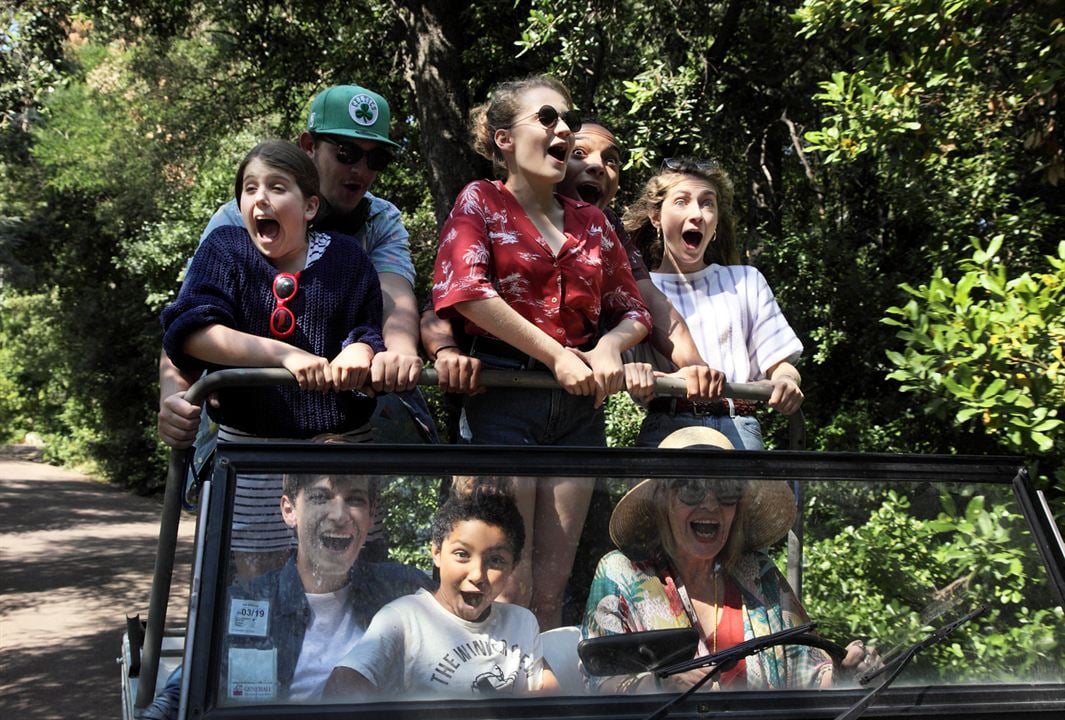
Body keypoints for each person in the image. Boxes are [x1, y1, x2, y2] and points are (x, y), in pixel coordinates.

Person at [429, 76, 653, 630]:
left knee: (550, 590)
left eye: (568, 121)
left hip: (577, 410)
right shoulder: (481, 200)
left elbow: (634, 310)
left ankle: (539, 702)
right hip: (504, 399)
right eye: (548, 118)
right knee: (506, 583)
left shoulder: (594, 223)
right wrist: (558, 355)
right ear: (504, 138)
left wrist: (608, 346)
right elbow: (467, 292)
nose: (564, 130)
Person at [158, 83, 436, 450]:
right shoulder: (234, 223)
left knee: (407, 449)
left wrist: (396, 353)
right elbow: (190, 320)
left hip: (347, 405)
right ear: (309, 146)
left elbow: (392, 301)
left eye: (376, 159)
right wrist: (173, 397)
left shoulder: (380, 219)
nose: (360, 169)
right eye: (346, 152)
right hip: (245, 415)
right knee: (212, 462)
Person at [421, 118, 724, 406]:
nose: (598, 167)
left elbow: (648, 304)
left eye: (611, 160)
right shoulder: (490, 205)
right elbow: (446, 298)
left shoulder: (604, 225)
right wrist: (446, 351)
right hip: (495, 386)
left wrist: (696, 367)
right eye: (580, 153)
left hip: (576, 393)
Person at [581, 427, 874, 693]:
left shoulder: (759, 573)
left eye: (726, 490)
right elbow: (600, 684)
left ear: (739, 506)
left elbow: (807, 675)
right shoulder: (621, 572)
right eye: (691, 488)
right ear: (663, 500)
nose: (710, 503)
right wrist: (660, 683)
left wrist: (843, 672)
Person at [143, 473, 432, 717]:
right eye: (320, 497)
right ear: (289, 510)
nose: (339, 515)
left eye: (355, 499)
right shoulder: (247, 603)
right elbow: (183, 690)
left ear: (371, 515)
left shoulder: (402, 587)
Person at [160, 139, 385, 436]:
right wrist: (285, 355)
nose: (260, 198)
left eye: (277, 188)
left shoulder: (347, 258)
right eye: (250, 189)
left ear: (310, 206)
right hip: (246, 452)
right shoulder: (225, 249)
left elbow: (368, 328)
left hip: (339, 448)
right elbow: (192, 332)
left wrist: (362, 349)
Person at [623, 158, 804, 450]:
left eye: (708, 204)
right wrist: (641, 376)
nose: (697, 214)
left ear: (717, 221)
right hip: (667, 430)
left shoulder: (746, 281)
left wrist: (786, 381)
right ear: (656, 217)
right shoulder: (634, 286)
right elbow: (623, 368)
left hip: (740, 428)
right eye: (682, 201)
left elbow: (780, 363)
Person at [325, 485, 559, 699]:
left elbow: (551, 697)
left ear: (513, 568)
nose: (477, 574)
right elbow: (343, 684)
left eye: (496, 560)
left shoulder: (522, 622)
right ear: (436, 552)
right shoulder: (404, 618)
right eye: (462, 554)